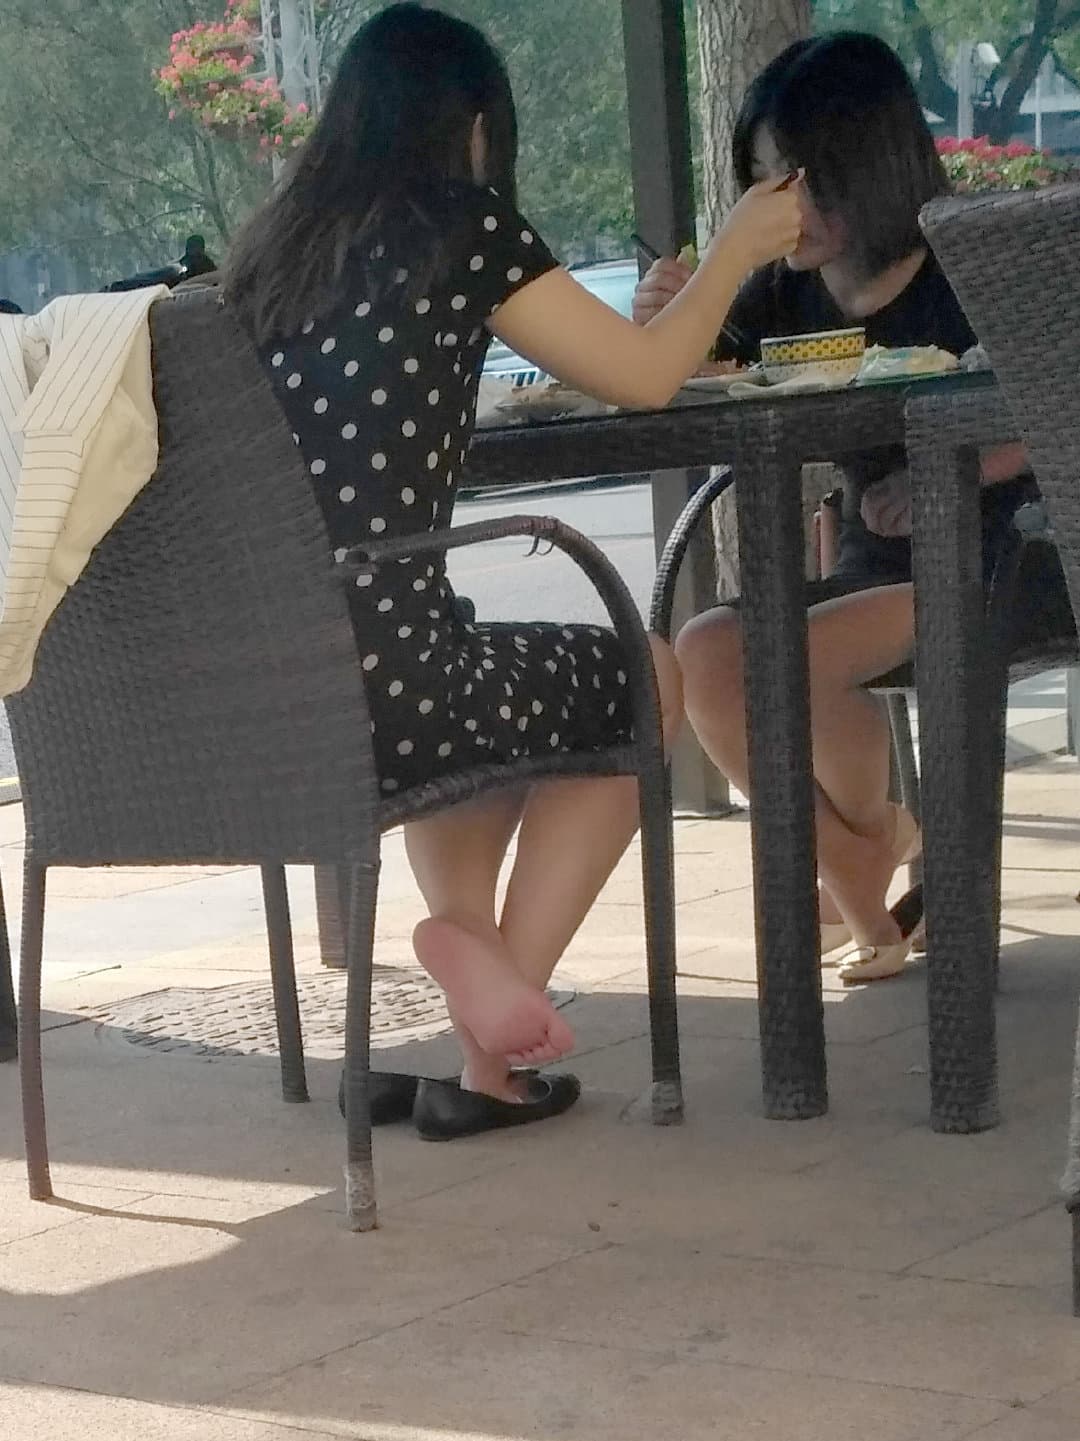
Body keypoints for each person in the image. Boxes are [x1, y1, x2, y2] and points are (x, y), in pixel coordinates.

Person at [225, 3, 801, 1137]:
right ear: (474, 125)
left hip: (266, 693)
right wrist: (735, 247)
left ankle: (475, 999)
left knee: (460, 647)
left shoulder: (268, 258)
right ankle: (492, 1039)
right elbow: (642, 375)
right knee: (644, 675)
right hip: (391, 686)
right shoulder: (461, 227)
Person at [633, 32, 1072, 984]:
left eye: (803, 174)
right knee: (707, 650)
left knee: (747, 659)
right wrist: (667, 319)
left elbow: (1063, 402)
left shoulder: (968, 270)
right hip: (877, 574)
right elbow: (692, 381)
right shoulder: (781, 295)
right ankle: (866, 870)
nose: (786, 203)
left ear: (870, 165)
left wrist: (968, 466)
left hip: (1008, 560)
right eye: (764, 179)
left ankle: (862, 876)